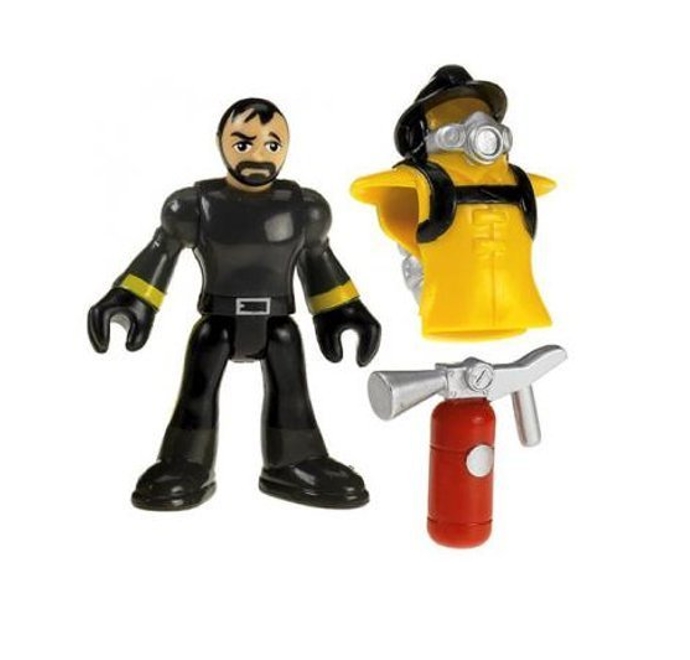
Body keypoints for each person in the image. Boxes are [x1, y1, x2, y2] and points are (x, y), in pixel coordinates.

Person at [88, 98, 381, 511]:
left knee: (292, 395)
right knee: (196, 394)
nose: (259, 156)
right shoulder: (194, 207)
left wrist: (342, 310)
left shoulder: (304, 209)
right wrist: (131, 298)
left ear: (287, 147)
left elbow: (319, 261)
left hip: (278, 324)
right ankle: (186, 463)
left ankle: (294, 462)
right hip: (218, 323)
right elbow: (160, 252)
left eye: (272, 145)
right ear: (221, 144)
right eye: (243, 144)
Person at [351, 65, 556, 340]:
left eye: (480, 111)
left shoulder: (519, 182)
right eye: (454, 114)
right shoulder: (422, 181)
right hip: (447, 314)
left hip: (519, 310)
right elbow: (372, 190)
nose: (476, 121)